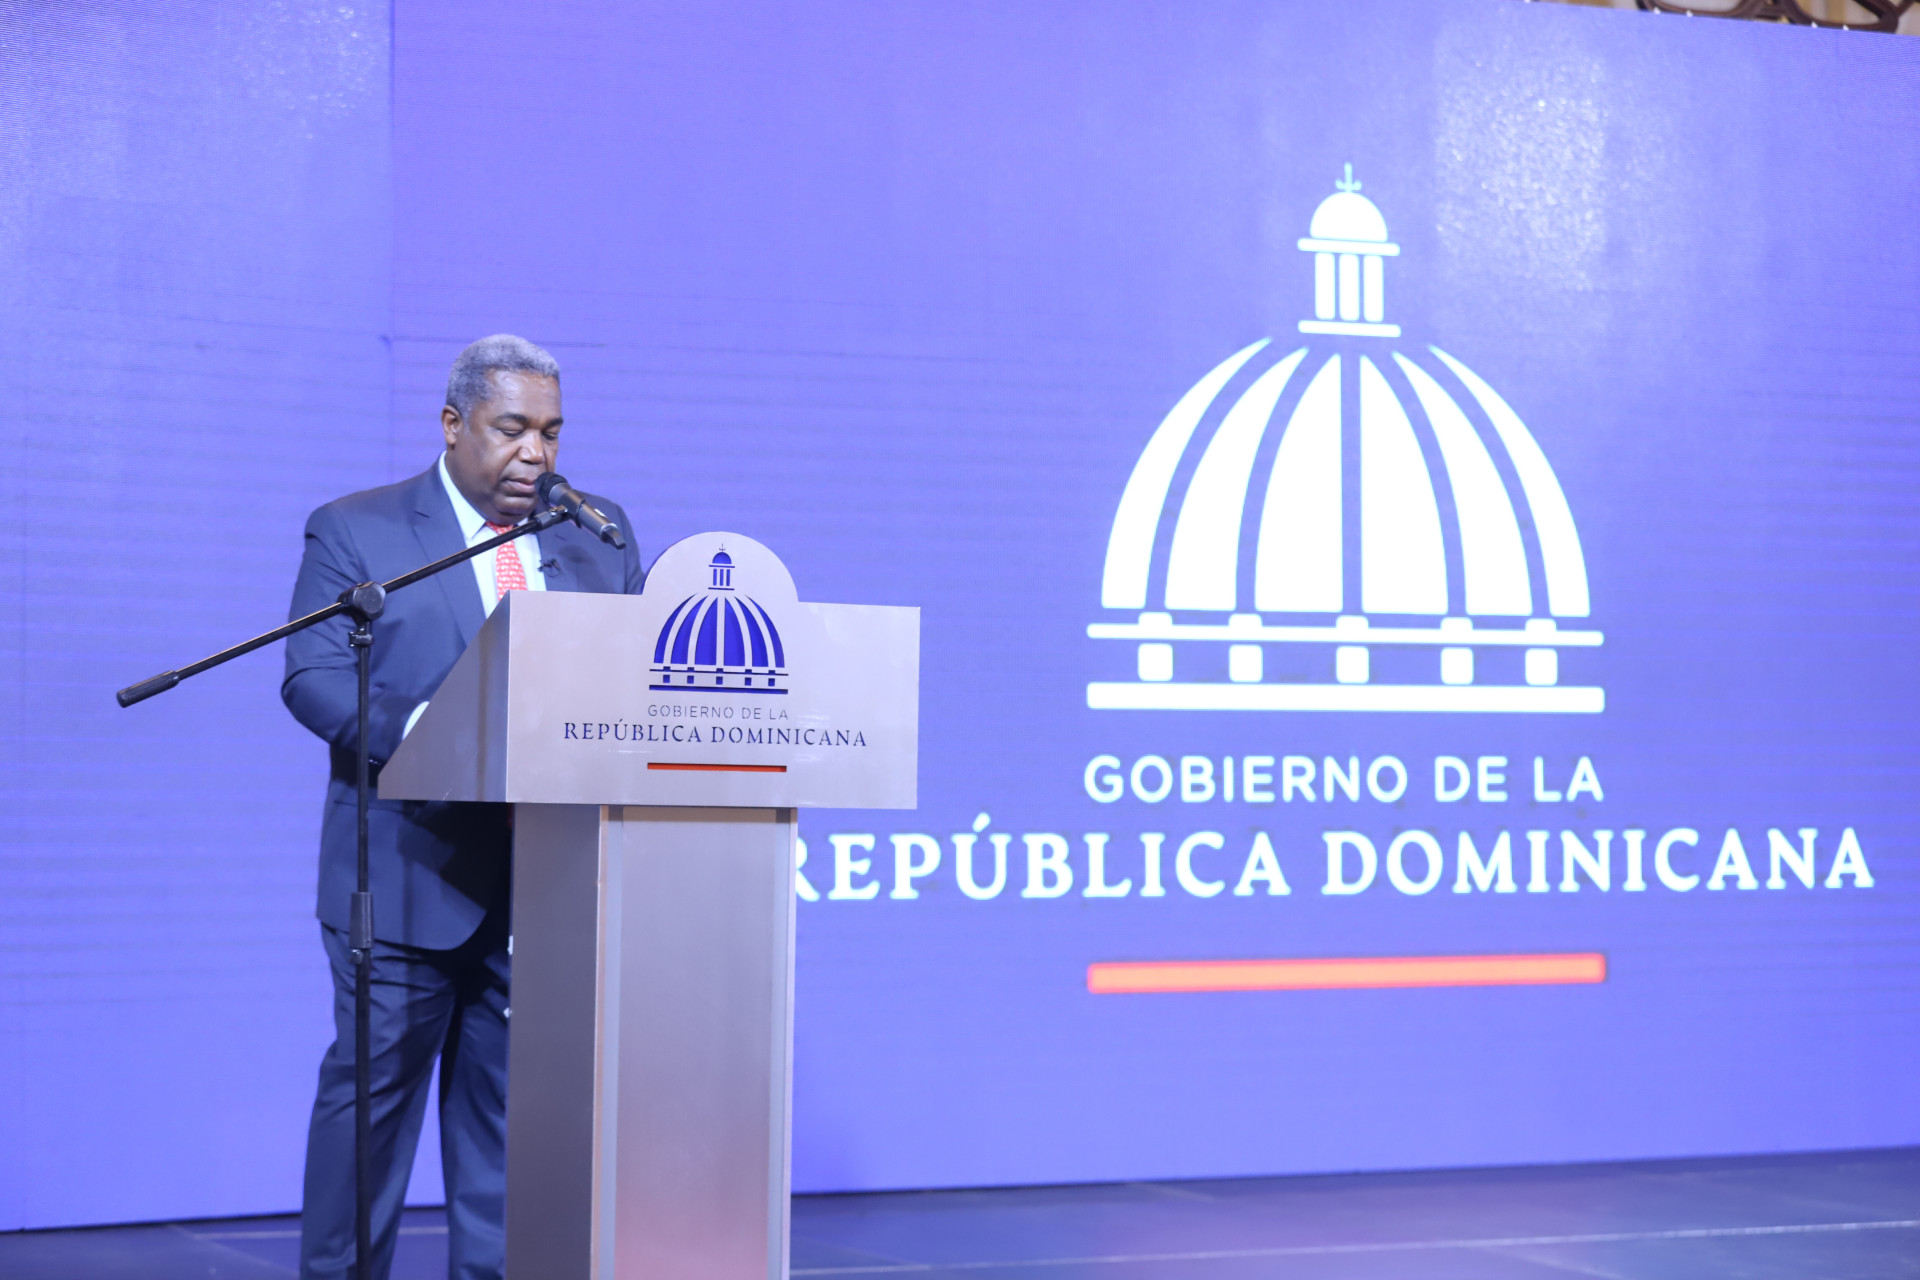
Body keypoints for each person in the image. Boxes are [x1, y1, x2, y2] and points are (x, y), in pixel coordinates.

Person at [282, 335, 645, 1280]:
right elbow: (312, 678)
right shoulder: (359, 531)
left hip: (543, 886)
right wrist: (428, 735)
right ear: (453, 425)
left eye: (551, 432)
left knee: (508, 1133)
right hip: (404, 880)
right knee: (369, 1123)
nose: (536, 452)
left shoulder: (595, 531)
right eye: (512, 428)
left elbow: (630, 682)